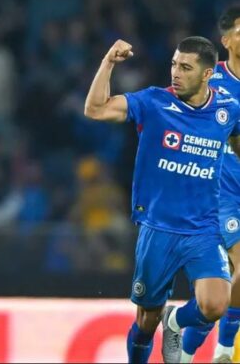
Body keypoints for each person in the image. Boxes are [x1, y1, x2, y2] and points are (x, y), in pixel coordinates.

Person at [84, 36, 240, 363]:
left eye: (185, 67)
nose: (176, 73)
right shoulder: (154, 102)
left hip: (203, 228)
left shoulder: (228, 109)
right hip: (158, 228)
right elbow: (95, 109)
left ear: (207, 74)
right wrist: (108, 62)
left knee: (215, 304)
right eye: (174, 64)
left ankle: (175, 320)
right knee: (145, 322)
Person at [181, 4, 240, 364]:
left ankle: (182, 350)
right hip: (221, 194)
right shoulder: (210, 80)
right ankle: (224, 349)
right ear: (226, 40)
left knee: (216, 296)